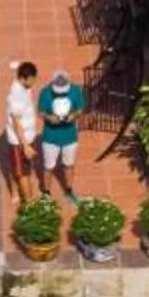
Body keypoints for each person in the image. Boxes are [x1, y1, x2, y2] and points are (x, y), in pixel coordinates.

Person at [34, 67, 87, 204]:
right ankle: (46, 193)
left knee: (68, 165)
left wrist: (74, 115)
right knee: (48, 166)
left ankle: (69, 190)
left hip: (70, 137)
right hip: (50, 138)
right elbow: (40, 112)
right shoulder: (45, 93)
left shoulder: (75, 91)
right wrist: (49, 117)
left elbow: (81, 109)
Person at [2, 61, 41, 203]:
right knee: (22, 173)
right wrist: (25, 146)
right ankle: (30, 203)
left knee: (24, 169)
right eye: (32, 80)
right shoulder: (16, 96)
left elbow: (17, 69)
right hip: (19, 141)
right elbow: (16, 123)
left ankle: (22, 194)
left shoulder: (22, 82)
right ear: (24, 79)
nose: (34, 82)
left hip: (28, 137)